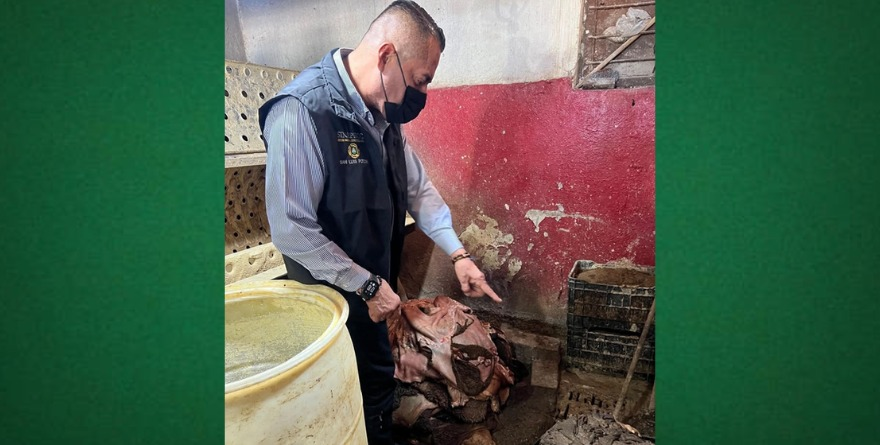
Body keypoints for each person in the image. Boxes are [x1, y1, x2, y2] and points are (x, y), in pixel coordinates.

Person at [257, 1, 501, 443]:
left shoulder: (383, 119)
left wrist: (459, 255)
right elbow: (292, 228)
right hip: (329, 301)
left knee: (375, 381)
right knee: (341, 391)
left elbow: (419, 191)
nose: (422, 95)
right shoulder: (302, 111)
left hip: (373, 293)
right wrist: (364, 284)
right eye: (421, 80)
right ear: (386, 56)